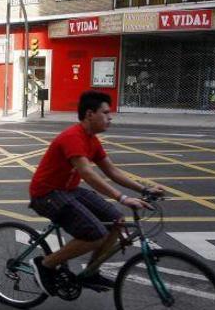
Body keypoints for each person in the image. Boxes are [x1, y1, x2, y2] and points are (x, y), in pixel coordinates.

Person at [28, 90, 164, 295]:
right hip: (46, 194)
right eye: (106, 113)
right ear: (90, 114)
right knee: (95, 234)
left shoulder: (92, 140)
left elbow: (112, 171)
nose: (110, 118)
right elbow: (88, 174)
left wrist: (144, 189)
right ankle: (46, 264)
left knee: (116, 221)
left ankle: (91, 272)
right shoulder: (73, 137)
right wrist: (123, 198)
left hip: (68, 190)